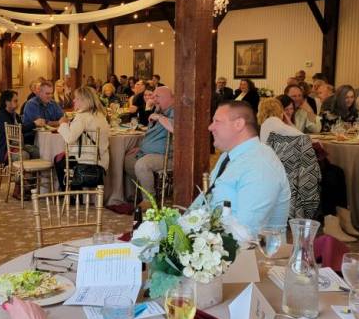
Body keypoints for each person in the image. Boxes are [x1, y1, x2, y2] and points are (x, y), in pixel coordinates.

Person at [192, 101, 291, 237]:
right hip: (212, 240)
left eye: (217, 121)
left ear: (238, 124)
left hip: (248, 254)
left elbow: (245, 234)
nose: (210, 127)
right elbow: (205, 199)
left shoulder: (260, 166)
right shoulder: (228, 155)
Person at [124, 86, 174, 209]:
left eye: (157, 96)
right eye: (153, 96)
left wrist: (159, 117)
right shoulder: (159, 111)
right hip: (148, 153)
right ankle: (142, 193)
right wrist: (141, 147)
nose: (153, 99)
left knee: (142, 165)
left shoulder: (175, 111)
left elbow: (175, 128)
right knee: (128, 161)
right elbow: (150, 135)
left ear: (170, 98)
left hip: (168, 156)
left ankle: (149, 200)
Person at [54, 87, 110, 190]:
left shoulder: (81, 117)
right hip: (101, 161)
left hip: (84, 161)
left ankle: (71, 195)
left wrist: (63, 124)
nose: (74, 100)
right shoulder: (101, 115)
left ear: (84, 100)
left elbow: (69, 138)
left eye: (76, 98)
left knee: (58, 160)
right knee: (63, 157)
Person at [0, 90, 38, 164]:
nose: (18, 103)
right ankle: (22, 175)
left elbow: (21, 127)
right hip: (5, 150)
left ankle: (33, 174)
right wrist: (34, 124)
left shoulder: (14, 114)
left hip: (16, 146)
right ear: (7, 102)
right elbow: (16, 129)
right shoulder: (1, 117)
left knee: (36, 151)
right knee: (24, 155)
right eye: (15, 101)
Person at [22, 80, 64, 145]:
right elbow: (41, 123)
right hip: (33, 139)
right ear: (40, 93)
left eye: (51, 93)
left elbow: (62, 117)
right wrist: (57, 122)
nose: (50, 96)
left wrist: (61, 120)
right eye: (47, 93)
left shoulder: (53, 103)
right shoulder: (31, 104)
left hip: (51, 137)